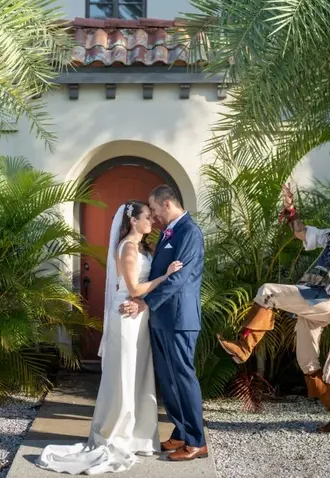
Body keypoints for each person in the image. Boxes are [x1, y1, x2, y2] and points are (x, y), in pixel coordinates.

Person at [217, 184, 330, 432]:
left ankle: (244, 346)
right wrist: (290, 208)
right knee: (308, 363)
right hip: (313, 297)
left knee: (268, 292)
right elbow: (301, 233)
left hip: (327, 300)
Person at [36, 200, 183, 474]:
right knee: (124, 375)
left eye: (152, 216)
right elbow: (134, 288)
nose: (152, 221)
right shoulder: (127, 247)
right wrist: (165, 277)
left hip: (139, 318)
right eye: (148, 217)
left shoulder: (142, 246)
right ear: (133, 221)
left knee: (140, 375)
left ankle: (139, 435)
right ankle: (118, 434)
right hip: (126, 317)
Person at [120, 185, 208, 461]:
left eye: (155, 209)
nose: (154, 215)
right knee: (168, 380)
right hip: (161, 318)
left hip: (180, 318)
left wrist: (146, 302)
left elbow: (179, 278)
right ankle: (181, 432)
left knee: (183, 377)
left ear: (167, 203)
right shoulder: (168, 232)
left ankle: (197, 441)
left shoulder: (190, 233)